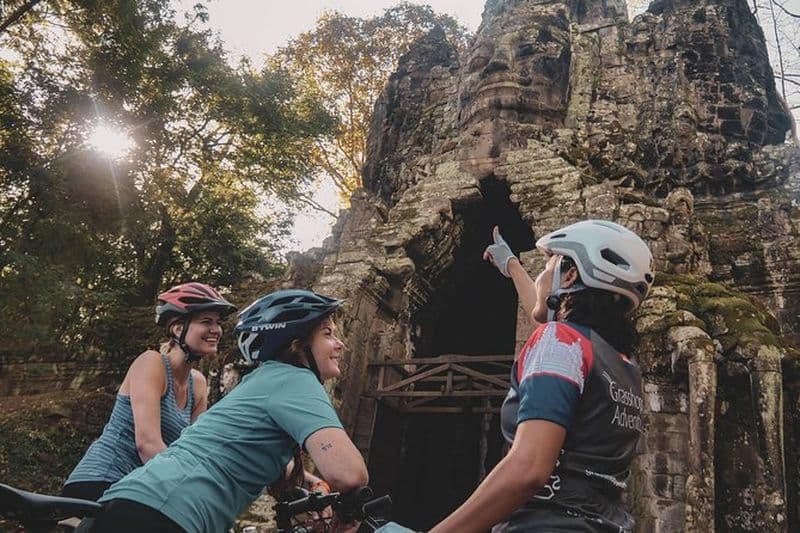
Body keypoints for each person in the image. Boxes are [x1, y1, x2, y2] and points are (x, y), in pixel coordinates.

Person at [429, 220, 655, 532]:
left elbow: (529, 468)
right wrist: (511, 266)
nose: (539, 278)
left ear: (571, 274)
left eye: (546, 268)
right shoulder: (622, 365)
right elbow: (551, 327)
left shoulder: (561, 341)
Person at [87, 289, 369, 533]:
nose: (340, 343)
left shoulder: (263, 381)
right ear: (297, 345)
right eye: (328, 334)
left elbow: (253, 459)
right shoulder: (296, 379)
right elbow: (349, 474)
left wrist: (314, 485)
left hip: (132, 505)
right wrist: (347, 513)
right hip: (161, 514)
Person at [62, 282, 236, 502]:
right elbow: (147, 444)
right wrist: (194, 487)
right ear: (178, 328)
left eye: (218, 323)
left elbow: (197, 447)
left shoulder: (198, 383)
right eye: (206, 322)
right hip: (100, 482)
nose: (216, 330)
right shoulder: (151, 363)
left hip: (142, 488)